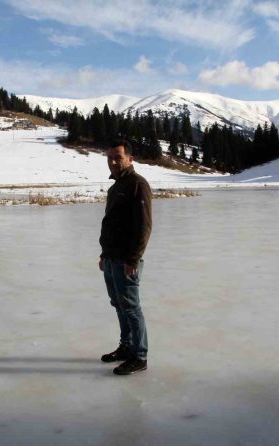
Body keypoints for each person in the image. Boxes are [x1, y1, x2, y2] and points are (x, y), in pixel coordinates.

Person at [99, 139, 153, 375]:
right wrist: (104, 254)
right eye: (110, 157)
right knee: (119, 305)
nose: (112, 162)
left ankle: (139, 356)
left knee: (131, 307)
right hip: (111, 258)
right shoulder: (116, 187)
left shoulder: (137, 184)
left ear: (130, 159)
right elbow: (110, 224)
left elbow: (144, 226)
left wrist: (133, 259)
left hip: (126, 260)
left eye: (117, 157)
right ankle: (126, 347)